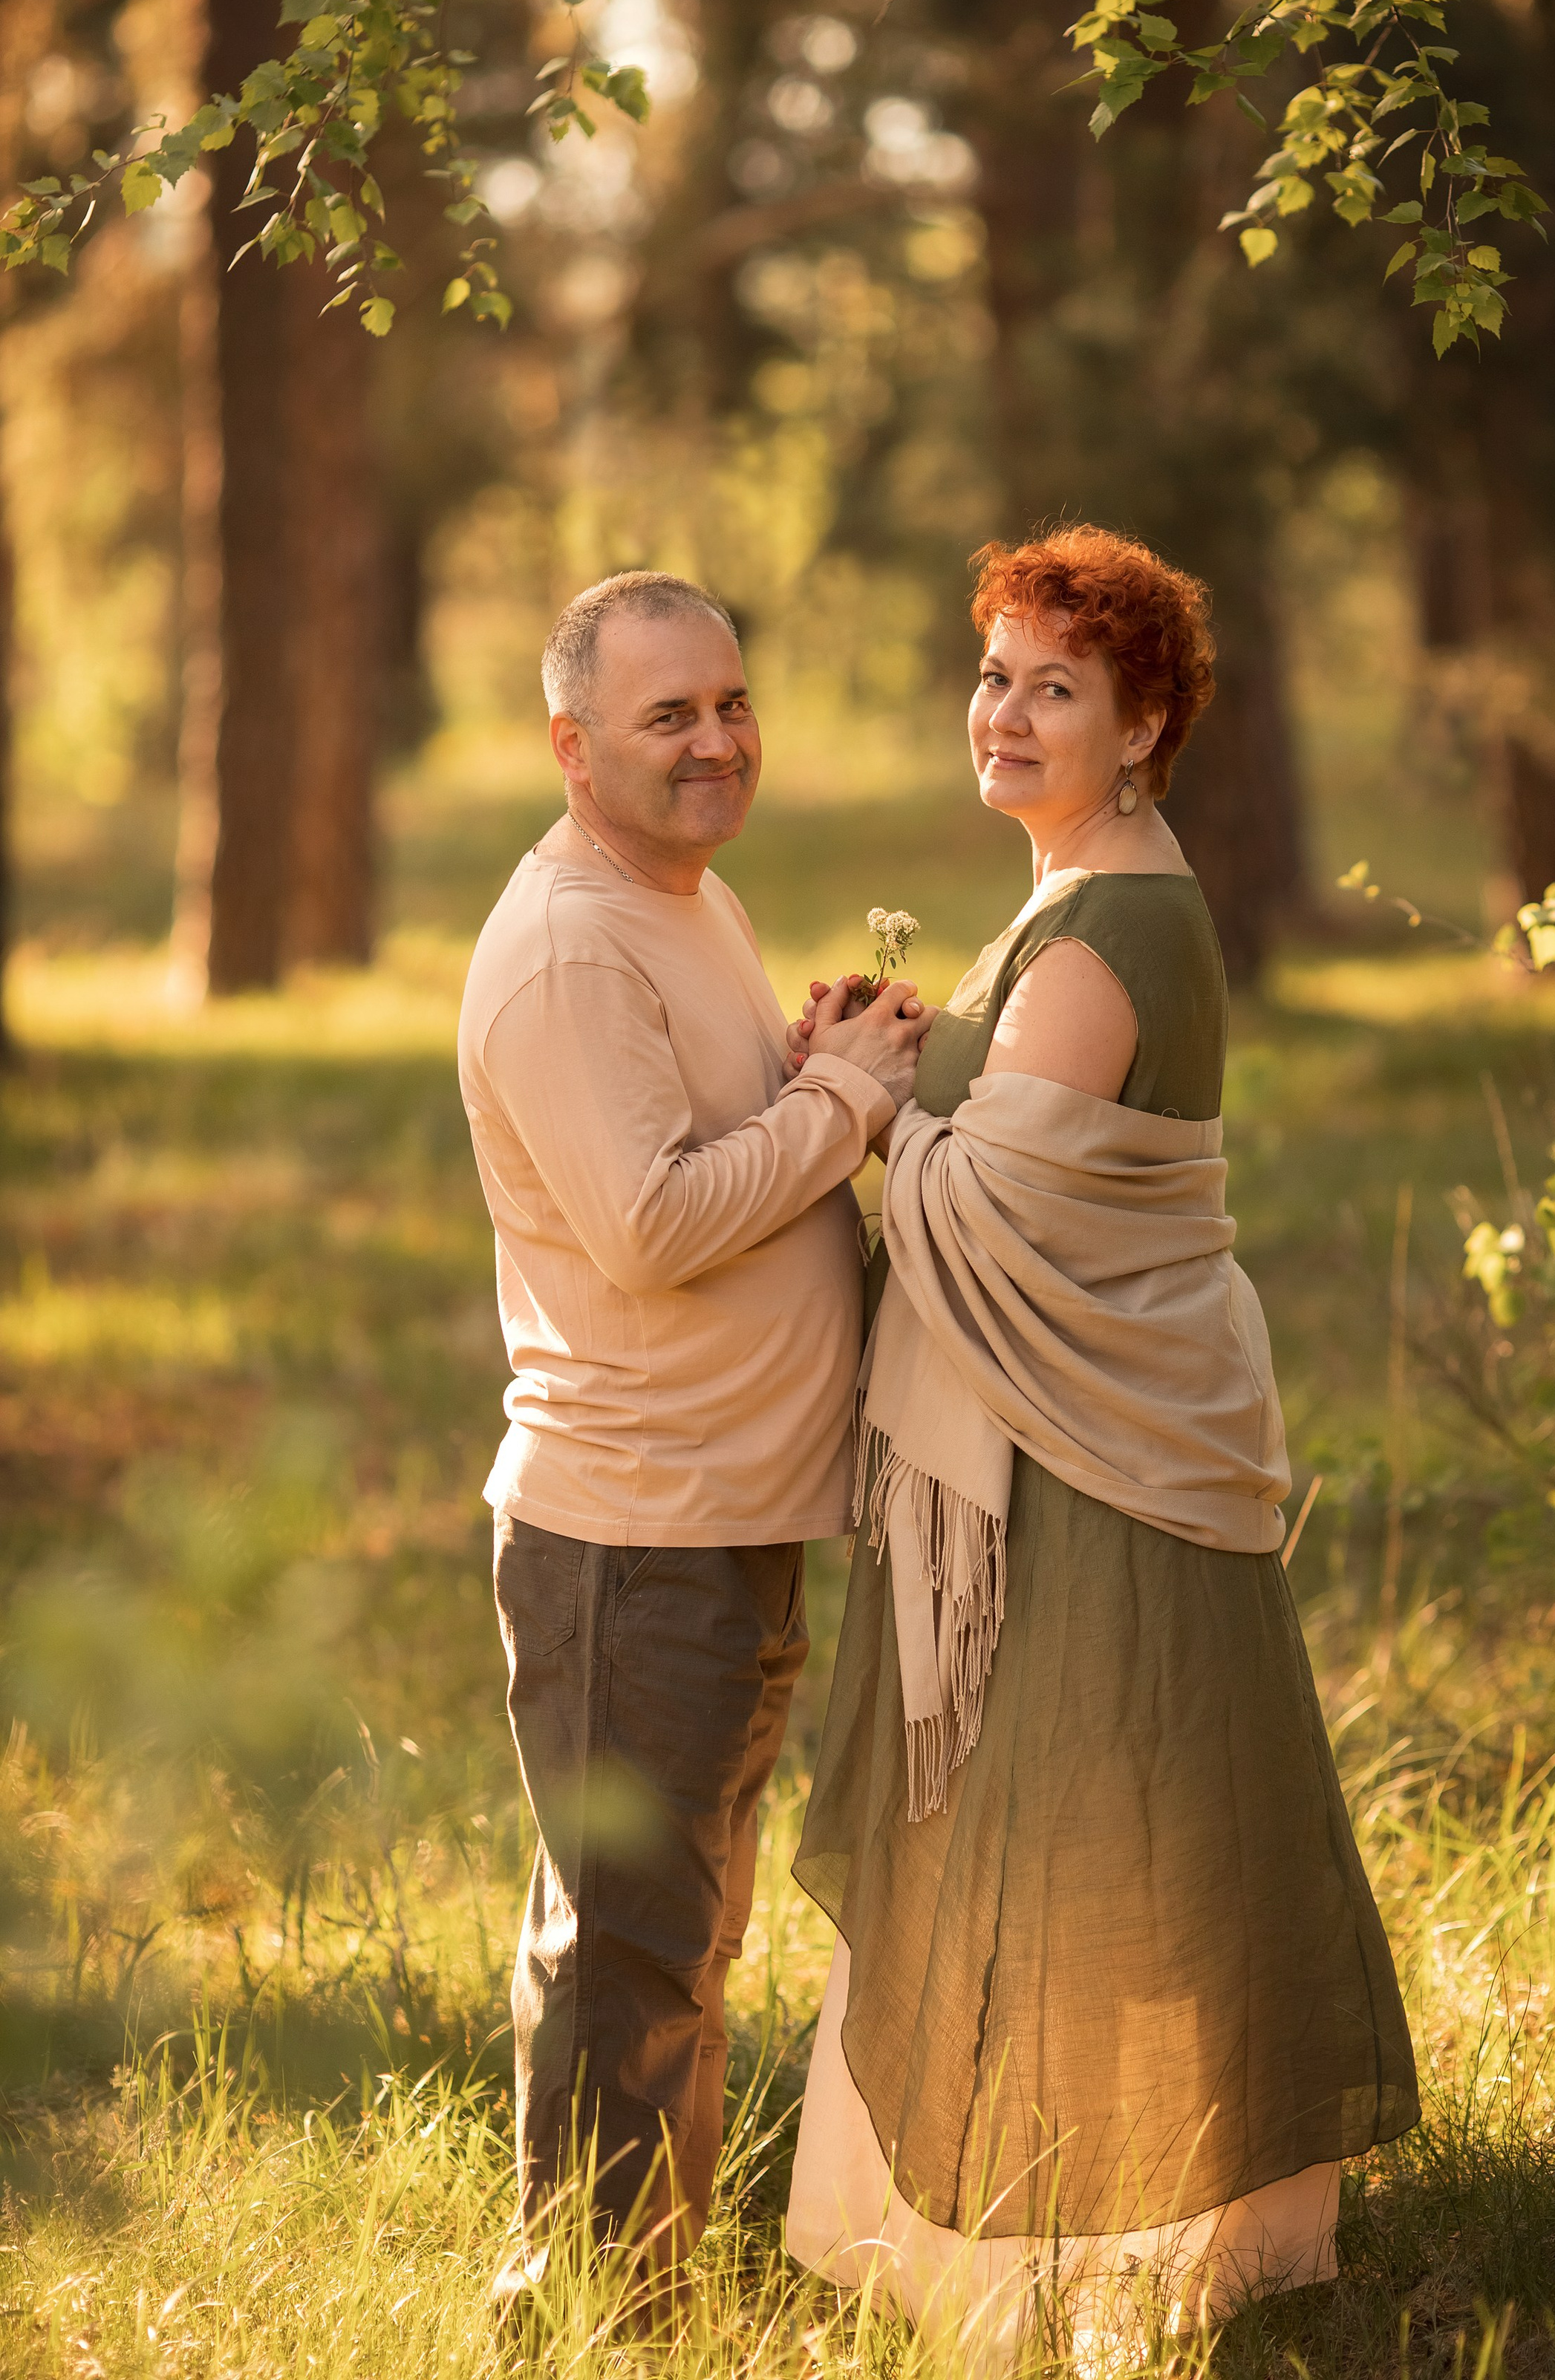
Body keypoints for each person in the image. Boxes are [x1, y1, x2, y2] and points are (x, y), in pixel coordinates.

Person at [783, 526, 1419, 2364]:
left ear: (1143, 725)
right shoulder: (1071, 897)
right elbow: (1007, 1150)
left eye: (1053, 687)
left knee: (1088, 1824)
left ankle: (1097, 2242)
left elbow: (989, 1216)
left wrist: (863, 1102)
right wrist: (895, 1055)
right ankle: (1077, 2222)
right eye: (992, 673)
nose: (1005, 711)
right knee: (1090, 1818)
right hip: (1064, 1434)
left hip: (1084, 1461)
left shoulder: (1121, 917)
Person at [456, 569, 931, 2312]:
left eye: (730, 704)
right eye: (671, 716)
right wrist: (844, 1102)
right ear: (572, 746)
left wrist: (809, 1067)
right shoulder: (570, 943)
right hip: (630, 1532)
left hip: (720, 1516)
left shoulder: (679, 899)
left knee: (682, 1936)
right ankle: (585, 2312)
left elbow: (710, 1149)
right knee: (627, 1952)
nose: (716, 741)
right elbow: (651, 1224)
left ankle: (638, 2283)